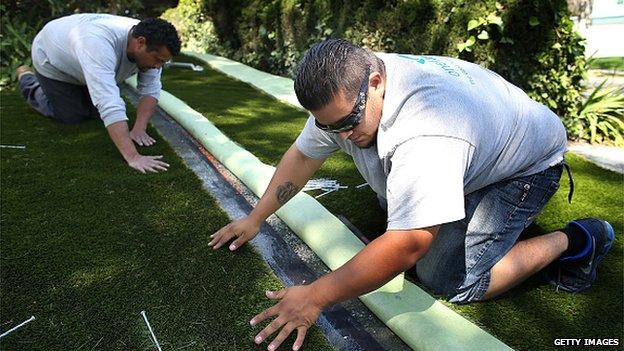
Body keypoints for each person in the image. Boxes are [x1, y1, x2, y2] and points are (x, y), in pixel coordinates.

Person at [209, 39, 615, 351]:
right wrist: (255, 217)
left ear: (376, 81)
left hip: (527, 164)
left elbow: (407, 246)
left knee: (448, 278)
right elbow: (301, 157)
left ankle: (579, 239)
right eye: (330, 126)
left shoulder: (425, 129)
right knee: (395, 204)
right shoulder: (347, 91)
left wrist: (314, 297)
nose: (343, 136)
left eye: (349, 122)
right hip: (475, 140)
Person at [16, 14, 181, 173]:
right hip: (52, 61)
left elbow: (151, 88)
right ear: (140, 43)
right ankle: (28, 80)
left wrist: (139, 128)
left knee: (96, 114)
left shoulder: (150, 41)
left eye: (163, 62)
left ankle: (80, 90)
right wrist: (133, 157)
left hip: (86, 62)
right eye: (158, 60)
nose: (158, 66)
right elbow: (108, 103)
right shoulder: (97, 43)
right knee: (72, 116)